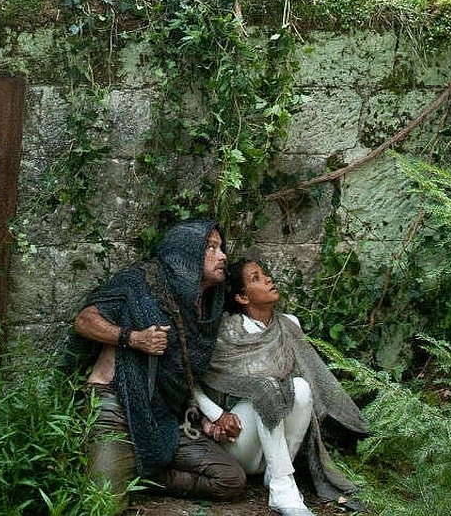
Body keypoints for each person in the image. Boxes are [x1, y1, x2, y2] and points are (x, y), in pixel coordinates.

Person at [72, 219, 247, 505]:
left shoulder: (208, 304)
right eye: (212, 248)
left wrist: (201, 417)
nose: (223, 255)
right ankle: (122, 468)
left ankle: (138, 476)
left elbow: (183, 374)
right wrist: (134, 338)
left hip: (161, 417)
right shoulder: (140, 283)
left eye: (221, 247)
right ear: (186, 253)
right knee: (101, 506)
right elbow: (84, 320)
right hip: (117, 406)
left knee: (231, 480)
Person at [197, 258, 370, 516]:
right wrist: (215, 416)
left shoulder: (290, 324)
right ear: (243, 297)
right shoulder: (229, 331)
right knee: (266, 388)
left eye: (264, 274)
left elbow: (312, 373)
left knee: (299, 387)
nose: (267, 279)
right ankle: (283, 490)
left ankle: (276, 475)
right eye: (256, 278)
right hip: (239, 439)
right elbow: (199, 380)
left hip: (278, 445)